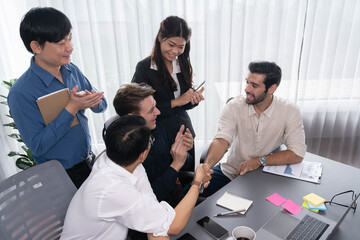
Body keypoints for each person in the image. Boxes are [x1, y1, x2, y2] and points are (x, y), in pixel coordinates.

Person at [61, 115, 211, 240]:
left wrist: (162, 227)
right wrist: (197, 182)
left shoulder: (121, 160)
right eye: (150, 141)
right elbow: (174, 226)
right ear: (143, 154)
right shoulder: (112, 188)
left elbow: (156, 222)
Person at [8, 7, 107, 188]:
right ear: (36, 46)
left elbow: (101, 106)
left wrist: (93, 101)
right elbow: (37, 145)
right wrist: (71, 108)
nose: (70, 47)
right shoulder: (20, 93)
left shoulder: (71, 70)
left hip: (88, 163)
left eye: (70, 39)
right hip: (59, 178)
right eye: (61, 43)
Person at [201, 61, 307, 197]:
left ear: (271, 89)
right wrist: (206, 167)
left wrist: (259, 160)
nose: (247, 89)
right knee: (186, 196)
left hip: (264, 177)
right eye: (247, 82)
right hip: (231, 173)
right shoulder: (234, 106)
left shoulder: (290, 111)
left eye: (254, 85)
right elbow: (222, 140)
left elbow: (297, 153)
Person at [131, 16, 204, 164]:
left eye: (181, 47)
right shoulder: (145, 67)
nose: (175, 51)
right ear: (160, 38)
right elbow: (137, 107)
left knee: (188, 178)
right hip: (160, 135)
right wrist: (176, 102)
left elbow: (183, 105)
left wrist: (193, 100)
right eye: (171, 44)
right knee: (167, 180)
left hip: (184, 134)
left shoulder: (182, 65)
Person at [112, 83, 193, 207]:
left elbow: (186, 164)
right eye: (151, 110)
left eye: (155, 106)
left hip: (175, 195)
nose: (158, 112)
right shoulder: (126, 151)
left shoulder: (157, 127)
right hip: (155, 209)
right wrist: (176, 165)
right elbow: (148, 198)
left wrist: (183, 150)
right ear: (133, 118)